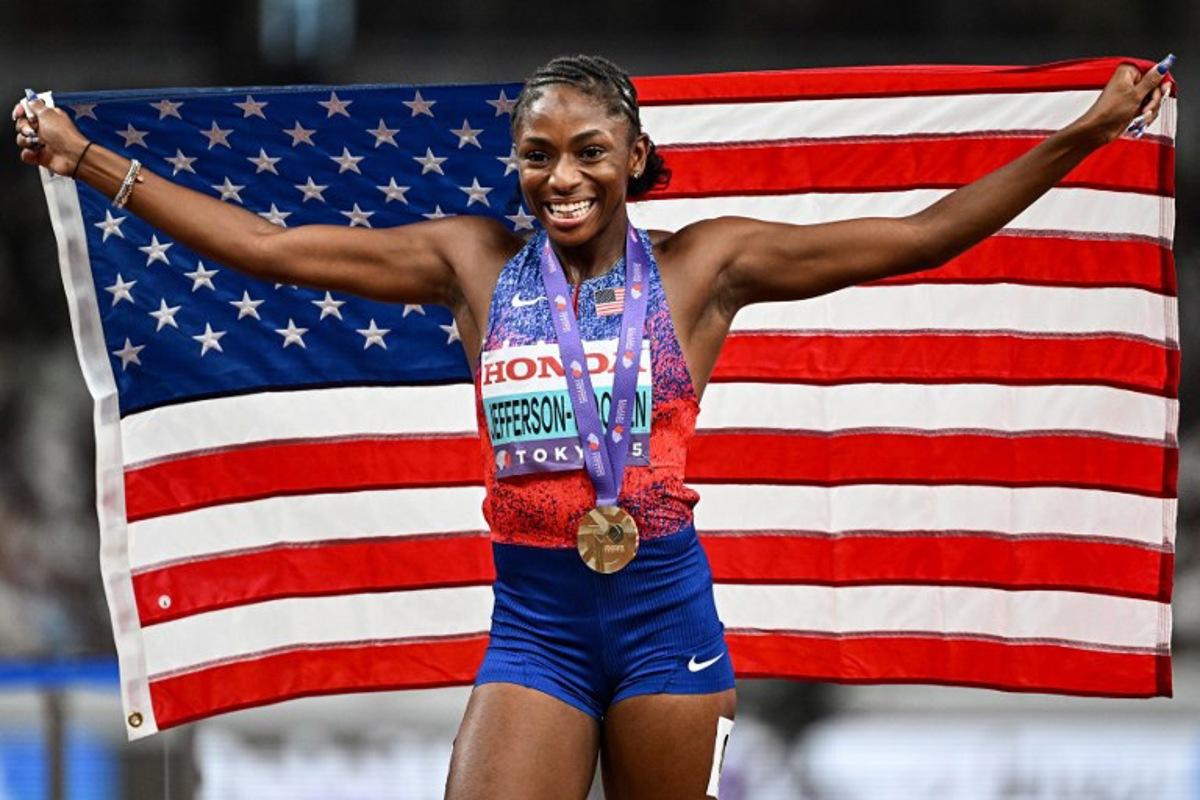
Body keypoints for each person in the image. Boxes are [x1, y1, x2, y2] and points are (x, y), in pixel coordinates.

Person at [13, 53, 1172, 799]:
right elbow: (270, 249)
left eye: (586, 152)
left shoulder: (705, 267)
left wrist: (1086, 133)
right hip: (538, 626)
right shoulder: (471, 262)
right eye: (537, 154)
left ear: (634, 159)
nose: (560, 176)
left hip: (667, 624)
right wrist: (90, 161)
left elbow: (920, 237)